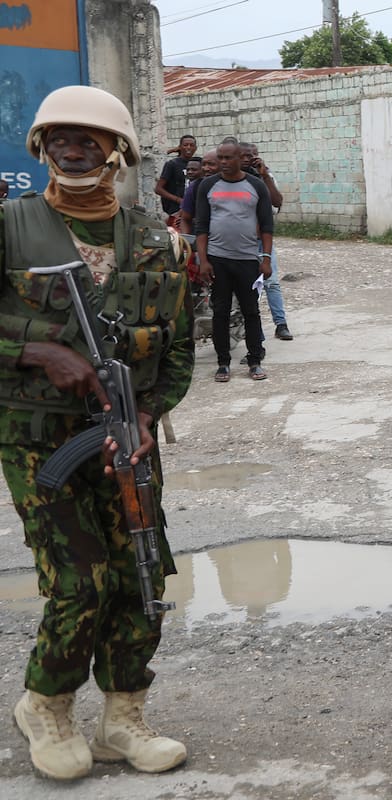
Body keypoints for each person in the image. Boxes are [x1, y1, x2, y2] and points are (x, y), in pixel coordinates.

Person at [1, 85, 193, 780]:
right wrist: (37, 350)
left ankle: (123, 716)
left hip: (126, 436)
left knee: (142, 572)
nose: (72, 148)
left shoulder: (153, 237)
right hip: (38, 439)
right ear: (41, 147)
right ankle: (46, 706)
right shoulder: (12, 226)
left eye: (87, 138)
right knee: (80, 579)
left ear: (117, 151)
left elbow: (177, 345)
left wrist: (145, 415)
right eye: (59, 137)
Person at [194, 141, 274, 381]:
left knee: (251, 311)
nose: (224, 163)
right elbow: (201, 226)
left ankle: (255, 360)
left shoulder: (256, 186)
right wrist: (203, 260)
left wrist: (266, 258)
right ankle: (223, 363)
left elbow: (267, 225)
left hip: (248, 259)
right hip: (218, 259)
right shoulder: (207, 185)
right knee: (220, 311)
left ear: (241, 158)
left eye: (229, 158)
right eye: (221, 158)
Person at [239, 141, 292, 342]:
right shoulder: (233, 180)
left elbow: (277, 202)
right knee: (246, 289)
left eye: (252, 155)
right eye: (244, 155)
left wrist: (264, 176)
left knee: (271, 283)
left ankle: (281, 324)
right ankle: (253, 333)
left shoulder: (265, 176)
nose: (249, 159)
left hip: (262, 241)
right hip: (241, 242)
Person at [153, 133, 196, 217]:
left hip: (193, 208)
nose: (188, 147)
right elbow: (158, 189)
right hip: (175, 209)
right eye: (185, 145)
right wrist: (178, 200)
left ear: (195, 148)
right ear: (180, 147)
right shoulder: (172, 164)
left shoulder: (198, 163)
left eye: (191, 145)